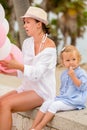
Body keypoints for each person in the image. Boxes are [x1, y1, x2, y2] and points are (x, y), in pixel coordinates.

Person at [0, 6, 57, 130]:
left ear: (39, 24)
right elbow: (25, 71)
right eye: (24, 22)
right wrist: (7, 71)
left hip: (41, 91)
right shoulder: (27, 43)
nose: (25, 25)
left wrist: (18, 66)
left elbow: (36, 73)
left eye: (28, 22)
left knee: (5, 104)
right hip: (26, 88)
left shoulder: (49, 47)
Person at [30, 45, 87, 130]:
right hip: (64, 98)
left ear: (78, 59)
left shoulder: (81, 73)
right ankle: (33, 127)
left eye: (74, 59)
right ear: (63, 62)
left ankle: (39, 127)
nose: (71, 62)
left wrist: (73, 77)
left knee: (54, 106)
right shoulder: (64, 74)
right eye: (67, 60)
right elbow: (63, 89)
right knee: (46, 103)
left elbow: (83, 87)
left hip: (75, 101)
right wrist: (60, 97)